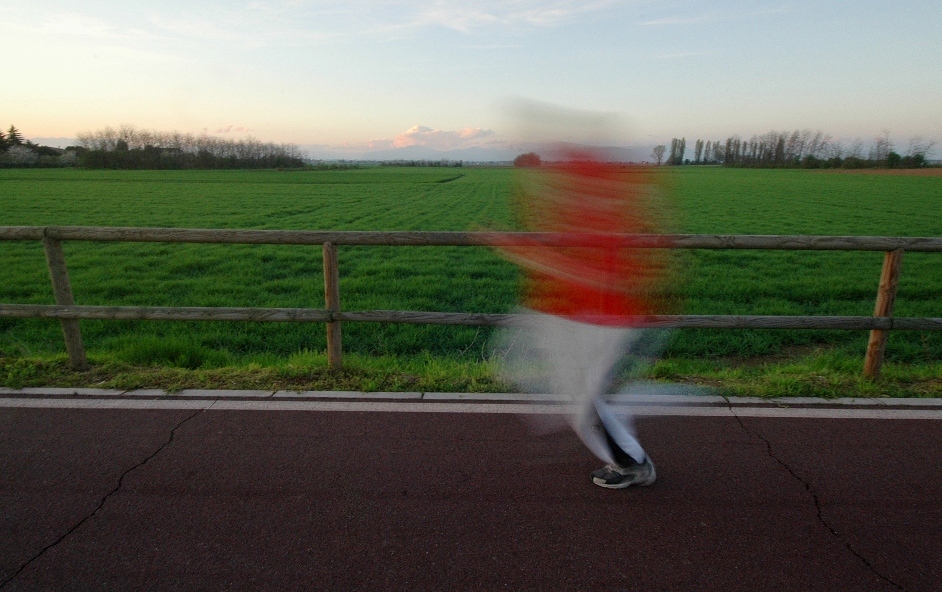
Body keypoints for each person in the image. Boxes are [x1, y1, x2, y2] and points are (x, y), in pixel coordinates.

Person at [493, 148, 667, 488]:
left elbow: (586, 273)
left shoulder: (591, 212)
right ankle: (627, 455)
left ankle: (633, 463)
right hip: (589, 316)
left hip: (602, 319)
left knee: (584, 399)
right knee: (583, 394)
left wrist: (519, 249)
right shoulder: (597, 206)